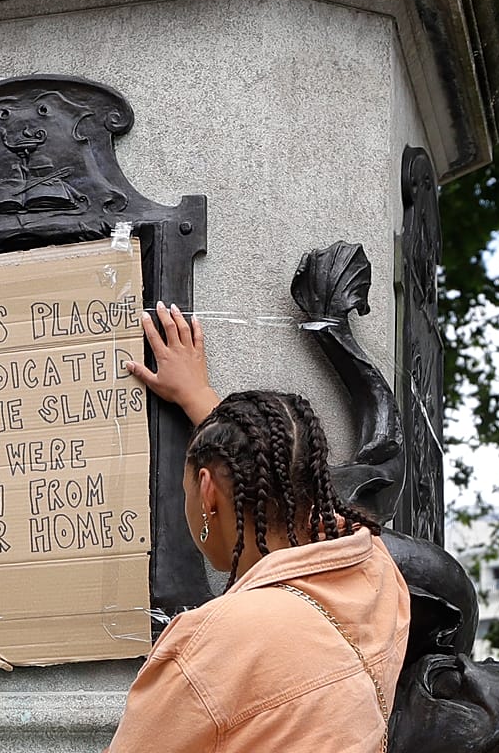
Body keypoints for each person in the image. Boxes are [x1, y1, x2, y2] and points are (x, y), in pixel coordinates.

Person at [108, 303, 410, 752]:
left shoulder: (213, 646)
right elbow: (285, 473)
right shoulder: (376, 573)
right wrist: (201, 399)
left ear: (207, 490)